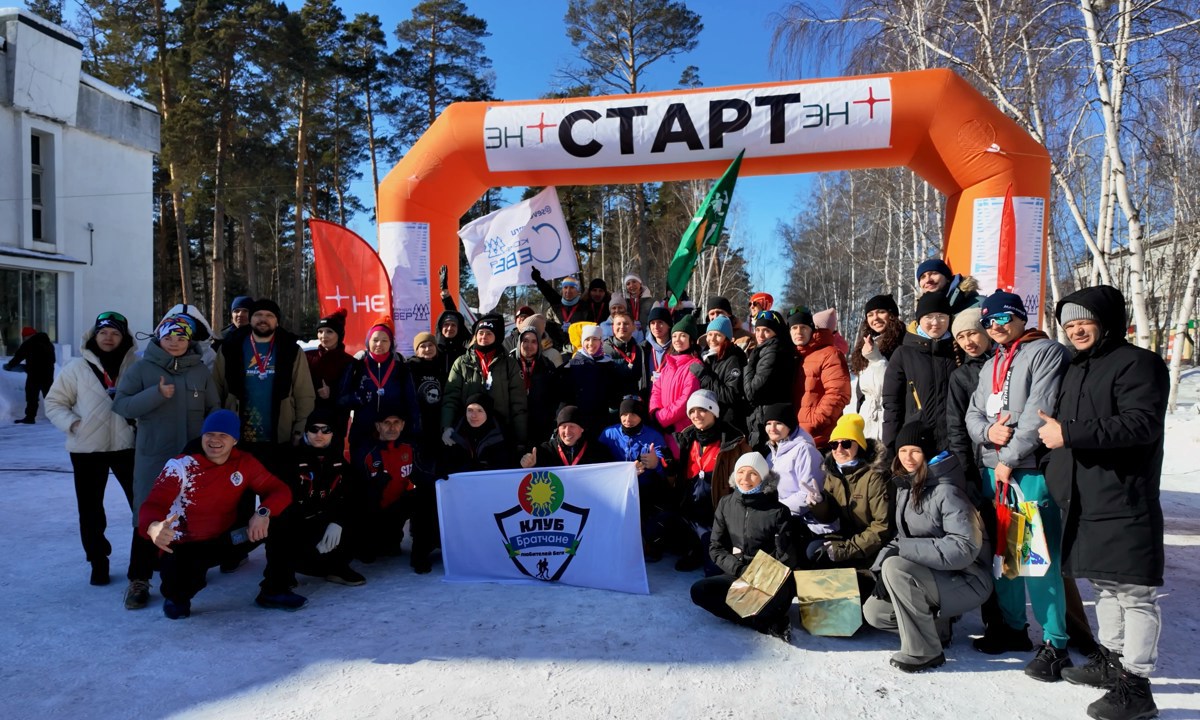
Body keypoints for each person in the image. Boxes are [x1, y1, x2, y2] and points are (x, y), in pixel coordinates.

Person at [1041, 285, 1169, 720]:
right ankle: (1112, 662)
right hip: (1085, 498)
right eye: (1069, 325)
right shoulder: (1077, 368)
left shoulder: (1139, 363)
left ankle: (1137, 685)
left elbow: (1141, 424)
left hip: (1124, 495)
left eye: (1084, 322)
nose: (1076, 331)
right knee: (1103, 584)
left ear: (1107, 322)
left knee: (1135, 592)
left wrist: (1067, 434)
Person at [964, 290, 1073, 680]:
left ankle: (1056, 643)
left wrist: (1008, 459)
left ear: (1020, 317)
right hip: (995, 472)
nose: (994, 327)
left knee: (1037, 560)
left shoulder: (1045, 352)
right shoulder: (992, 362)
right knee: (1005, 558)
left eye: (1001, 319)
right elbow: (973, 414)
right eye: (988, 321)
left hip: (1026, 471)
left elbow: (1038, 412)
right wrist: (987, 433)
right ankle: (1013, 629)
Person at [139, 409, 303, 618]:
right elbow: (154, 503)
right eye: (209, 434)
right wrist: (153, 527)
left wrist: (263, 513)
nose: (215, 440)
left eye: (223, 435)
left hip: (227, 539)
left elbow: (279, 490)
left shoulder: (244, 462)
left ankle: (275, 589)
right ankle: (176, 596)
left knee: (283, 519)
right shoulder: (180, 466)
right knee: (178, 599)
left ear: (234, 440)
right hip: (186, 545)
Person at [863, 423, 992, 673]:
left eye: (915, 451)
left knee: (896, 567)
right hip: (934, 576)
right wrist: (878, 571)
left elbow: (963, 547)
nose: (908, 458)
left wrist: (900, 554)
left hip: (968, 579)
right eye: (903, 451)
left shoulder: (947, 491)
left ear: (928, 453)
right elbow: (901, 539)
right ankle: (937, 628)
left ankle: (924, 651)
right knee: (875, 612)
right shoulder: (908, 486)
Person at [113, 314, 220, 610]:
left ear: (189, 341)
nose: (174, 342)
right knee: (148, 514)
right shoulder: (142, 368)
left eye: (181, 337)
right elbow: (121, 404)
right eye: (169, 337)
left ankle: (186, 570)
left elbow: (213, 407)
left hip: (192, 457)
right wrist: (155, 395)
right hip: (154, 456)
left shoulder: (199, 370)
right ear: (159, 338)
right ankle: (139, 578)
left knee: (190, 512)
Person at [45, 311, 139, 586]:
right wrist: (73, 424)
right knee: (90, 511)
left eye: (115, 333)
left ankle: (146, 556)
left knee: (141, 504)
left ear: (124, 338)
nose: (108, 338)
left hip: (127, 446)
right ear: (94, 336)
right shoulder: (76, 367)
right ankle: (98, 561)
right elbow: (54, 402)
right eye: (103, 332)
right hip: (87, 448)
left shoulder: (136, 366)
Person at [689, 452, 794, 640]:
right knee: (699, 591)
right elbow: (715, 547)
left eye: (753, 473)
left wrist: (780, 552)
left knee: (774, 601)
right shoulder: (726, 504)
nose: (745, 479)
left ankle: (763, 614)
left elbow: (787, 560)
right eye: (741, 472)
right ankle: (763, 622)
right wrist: (739, 569)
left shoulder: (778, 511)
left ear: (763, 478)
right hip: (738, 572)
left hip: (768, 579)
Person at [213, 297, 316, 468]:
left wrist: (300, 429)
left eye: (269, 315)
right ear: (251, 319)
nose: (263, 319)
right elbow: (215, 389)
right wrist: (217, 428)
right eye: (258, 315)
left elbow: (304, 393)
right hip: (236, 435)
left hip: (279, 436)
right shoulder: (231, 347)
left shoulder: (291, 349)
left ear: (277, 321)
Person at [659, 389, 753, 573]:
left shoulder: (733, 442)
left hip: (717, 517)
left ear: (714, 412)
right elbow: (677, 480)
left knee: (713, 571)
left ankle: (710, 549)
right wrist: (668, 467)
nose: (696, 415)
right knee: (659, 524)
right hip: (691, 513)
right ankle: (694, 548)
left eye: (702, 410)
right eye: (692, 411)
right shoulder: (687, 439)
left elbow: (746, 483)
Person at [807, 414, 893, 595]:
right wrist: (819, 503)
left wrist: (846, 550)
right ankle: (830, 599)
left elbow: (881, 527)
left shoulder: (874, 476)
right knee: (813, 551)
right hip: (848, 537)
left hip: (873, 545)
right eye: (834, 444)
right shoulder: (834, 472)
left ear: (859, 446)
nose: (839, 449)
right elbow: (830, 516)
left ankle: (860, 588)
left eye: (846, 443)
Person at [288, 408, 366, 587]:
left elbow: (352, 495)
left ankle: (338, 567)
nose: (319, 434)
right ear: (306, 431)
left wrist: (338, 521)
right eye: (314, 429)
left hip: (326, 522)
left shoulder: (338, 461)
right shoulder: (290, 458)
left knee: (360, 509)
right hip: (299, 526)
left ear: (332, 434)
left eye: (326, 430)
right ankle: (284, 572)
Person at [356, 408, 436, 572]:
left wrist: (439, 479)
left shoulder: (409, 448)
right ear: (378, 426)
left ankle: (419, 555)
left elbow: (422, 476)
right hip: (371, 515)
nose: (392, 428)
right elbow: (355, 493)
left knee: (424, 496)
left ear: (403, 425)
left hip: (397, 509)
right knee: (370, 555)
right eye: (387, 423)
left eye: (396, 422)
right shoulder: (366, 452)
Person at [882, 292, 959, 457]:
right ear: (918, 320)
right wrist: (891, 446)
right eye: (928, 317)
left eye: (941, 316)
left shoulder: (959, 350)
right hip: (915, 443)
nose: (935, 322)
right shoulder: (904, 354)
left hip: (955, 442)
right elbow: (892, 404)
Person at [441, 313, 529, 451]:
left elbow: (518, 404)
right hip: (467, 432)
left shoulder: (509, 364)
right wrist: (447, 426)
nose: (484, 337)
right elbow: (451, 397)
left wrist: (521, 438)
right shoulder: (462, 363)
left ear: (497, 336)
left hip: (499, 433)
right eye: (480, 333)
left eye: (489, 333)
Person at [339, 319, 420, 459]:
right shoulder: (357, 366)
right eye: (375, 340)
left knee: (392, 470)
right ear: (368, 342)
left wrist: (415, 429)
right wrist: (358, 398)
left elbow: (411, 401)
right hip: (363, 432)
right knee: (362, 469)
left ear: (391, 343)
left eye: (384, 341)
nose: (379, 344)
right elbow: (342, 398)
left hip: (392, 433)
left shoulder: (401, 368)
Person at [760, 403, 824, 558]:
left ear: (790, 425)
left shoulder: (805, 450)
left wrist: (776, 511)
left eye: (778, 423)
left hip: (806, 523)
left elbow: (808, 494)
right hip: (779, 519)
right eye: (768, 423)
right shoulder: (771, 454)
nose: (772, 428)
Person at [947, 308, 993, 500]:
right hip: (981, 463)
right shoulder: (960, 376)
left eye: (972, 333)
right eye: (961, 337)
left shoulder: (1011, 362)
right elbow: (956, 426)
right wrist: (966, 471)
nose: (968, 342)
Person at [790, 307, 851, 446]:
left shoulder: (830, 354)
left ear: (812, 329)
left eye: (803, 327)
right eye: (794, 328)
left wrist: (814, 421)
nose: (798, 332)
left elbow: (839, 394)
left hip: (820, 437)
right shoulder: (796, 355)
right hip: (795, 436)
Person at [849, 294, 905, 442]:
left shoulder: (903, 343)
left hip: (893, 422)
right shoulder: (866, 344)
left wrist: (875, 357)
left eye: (881, 312)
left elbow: (888, 386)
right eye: (870, 314)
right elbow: (861, 393)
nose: (875, 318)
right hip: (868, 423)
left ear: (892, 314)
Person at [649, 314, 703, 457]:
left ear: (691, 340)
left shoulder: (695, 365)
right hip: (664, 429)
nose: (677, 340)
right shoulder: (669, 363)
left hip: (682, 431)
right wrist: (655, 412)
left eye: (683, 336)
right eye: (674, 336)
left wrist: (661, 418)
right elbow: (656, 389)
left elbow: (686, 400)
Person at [742, 310, 794, 448]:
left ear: (776, 332)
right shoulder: (765, 350)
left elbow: (752, 392)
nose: (760, 335)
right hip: (765, 416)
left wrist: (749, 364)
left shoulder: (773, 352)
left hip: (768, 418)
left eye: (766, 331)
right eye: (758, 330)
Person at [598, 397, 667, 499]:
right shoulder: (609, 433)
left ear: (641, 416)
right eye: (624, 414)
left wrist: (656, 463)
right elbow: (597, 459)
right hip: (614, 488)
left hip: (644, 490)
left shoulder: (654, 436)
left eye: (633, 414)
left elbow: (667, 470)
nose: (628, 419)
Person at [305, 308, 353, 451]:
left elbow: (353, 394)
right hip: (309, 423)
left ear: (339, 335)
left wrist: (332, 394)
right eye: (320, 331)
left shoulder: (349, 362)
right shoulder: (307, 356)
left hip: (336, 424)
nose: (323, 336)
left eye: (329, 332)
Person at [511, 321, 562, 446]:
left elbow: (555, 396)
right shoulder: (509, 364)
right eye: (525, 341)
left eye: (533, 342)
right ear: (519, 342)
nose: (529, 345)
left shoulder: (547, 365)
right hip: (512, 426)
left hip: (541, 428)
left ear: (538, 344)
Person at [698, 314, 749, 434]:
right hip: (709, 420)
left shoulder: (733, 359)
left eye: (718, 335)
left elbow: (731, 395)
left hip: (728, 423)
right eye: (710, 334)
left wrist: (705, 377)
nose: (712, 339)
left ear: (727, 338)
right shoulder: (707, 357)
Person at [563, 323, 621, 428]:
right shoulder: (572, 365)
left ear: (601, 341)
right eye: (587, 339)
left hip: (603, 419)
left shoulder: (609, 364)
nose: (591, 343)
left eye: (595, 339)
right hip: (579, 421)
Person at [519, 405, 613, 468]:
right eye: (563, 427)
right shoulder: (546, 451)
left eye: (572, 426)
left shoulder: (597, 451)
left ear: (582, 428)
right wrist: (530, 466)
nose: (567, 432)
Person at [444, 392, 511, 473]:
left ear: (488, 412)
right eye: (470, 410)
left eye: (479, 411)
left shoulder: (501, 436)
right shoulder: (455, 433)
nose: (474, 415)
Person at [530, 267, 592, 351]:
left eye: (572, 287)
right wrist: (538, 279)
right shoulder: (556, 304)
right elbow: (548, 291)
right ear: (562, 290)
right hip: (558, 350)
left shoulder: (585, 307)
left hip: (579, 349)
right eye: (565, 287)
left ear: (578, 291)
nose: (568, 291)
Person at [408, 330, 448, 456]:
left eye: (431, 345)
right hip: (418, 422)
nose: (427, 349)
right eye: (422, 346)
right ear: (416, 350)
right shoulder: (409, 367)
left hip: (437, 421)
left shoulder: (442, 366)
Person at [6, 326, 56, 424]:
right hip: (48, 373)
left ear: (27, 336)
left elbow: (18, 356)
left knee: (32, 396)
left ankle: (30, 417)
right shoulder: (48, 343)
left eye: (24, 337)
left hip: (35, 374)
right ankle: (57, 416)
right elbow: (53, 359)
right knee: (50, 396)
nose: (24, 339)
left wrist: (10, 366)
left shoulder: (29, 343)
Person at [604, 311, 648, 401]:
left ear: (633, 327)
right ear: (613, 327)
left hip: (634, 401)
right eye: (618, 324)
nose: (622, 327)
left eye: (626, 324)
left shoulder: (641, 350)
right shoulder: (603, 350)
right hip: (611, 402)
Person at [915, 258, 980, 316]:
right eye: (923, 277)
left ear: (947, 278)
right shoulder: (922, 311)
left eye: (934, 273)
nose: (928, 280)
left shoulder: (978, 304)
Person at [642, 305, 673, 392]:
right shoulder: (644, 348)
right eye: (652, 323)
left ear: (669, 325)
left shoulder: (676, 348)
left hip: (669, 394)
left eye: (660, 322)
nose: (656, 326)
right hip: (649, 396)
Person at [623, 274, 655, 340]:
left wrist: (649, 338)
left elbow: (655, 321)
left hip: (648, 338)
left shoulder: (652, 302)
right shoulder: (624, 303)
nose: (631, 285)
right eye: (628, 284)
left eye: (634, 281)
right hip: (629, 339)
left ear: (640, 283)